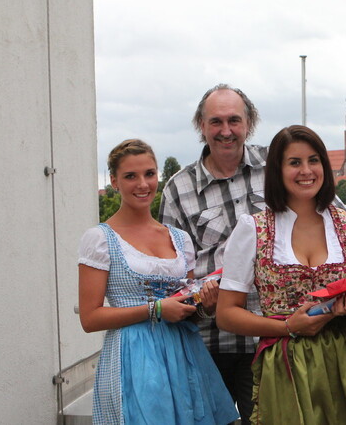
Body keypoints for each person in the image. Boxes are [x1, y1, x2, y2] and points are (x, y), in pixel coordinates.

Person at [216, 125, 346, 424]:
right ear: (278, 171)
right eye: (294, 162)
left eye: (313, 160)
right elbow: (226, 314)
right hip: (286, 362)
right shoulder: (253, 228)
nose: (306, 170)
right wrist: (288, 327)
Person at [79, 139, 239, 425]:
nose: (143, 184)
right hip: (133, 355)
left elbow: (187, 306)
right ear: (114, 181)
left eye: (149, 174)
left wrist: (205, 305)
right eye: (131, 176)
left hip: (184, 352)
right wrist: (155, 310)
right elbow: (90, 318)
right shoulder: (100, 239)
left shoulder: (179, 238)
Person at [159, 84, 266, 424]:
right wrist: (198, 301)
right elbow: (170, 276)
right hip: (207, 343)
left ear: (249, 123)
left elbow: (325, 223)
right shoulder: (178, 188)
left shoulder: (276, 167)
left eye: (234, 120)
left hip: (268, 336)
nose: (225, 131)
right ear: (200, 127)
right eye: (215, 122)